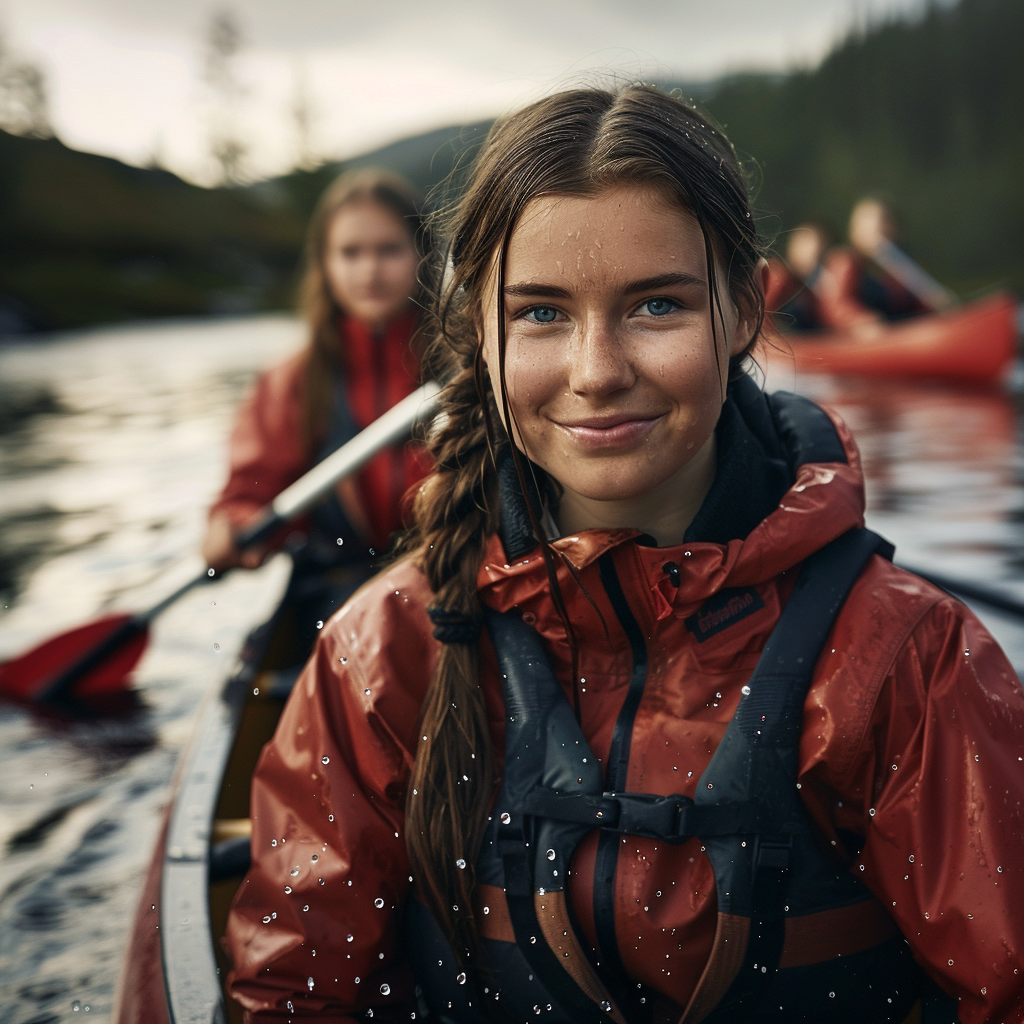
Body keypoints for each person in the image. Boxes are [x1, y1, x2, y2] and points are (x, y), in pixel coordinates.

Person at [224, 86, 1024, 1024]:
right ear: (477, 333)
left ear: (742, 311)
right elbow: (291, 992)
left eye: (654, 305)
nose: (597, 371)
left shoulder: (910, 661)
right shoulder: (382, 652)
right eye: (541, 314)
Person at [202, 167, 431, 653]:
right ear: (324, 264)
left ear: (421, 254)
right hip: (339, 588)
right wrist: (236, 524)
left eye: (388, 249)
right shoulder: (291, 383)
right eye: (350, 253)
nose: (369, 270)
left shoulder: (467, 363)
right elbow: (253, 490)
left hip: (450, 575)